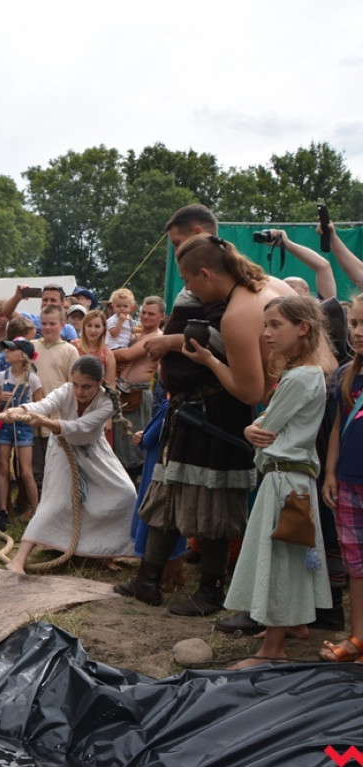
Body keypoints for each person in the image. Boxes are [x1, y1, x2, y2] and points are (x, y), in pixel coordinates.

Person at [122, 206, 295, 615]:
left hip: (217, 411)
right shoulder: (216, 288)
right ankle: (149, 578)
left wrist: (178, 344)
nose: (187, 285)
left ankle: (211, 591)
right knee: (167, 491)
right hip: (185, 410)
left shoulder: (235, 299)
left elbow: (235, 364)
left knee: (214, 498)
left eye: (186, 274)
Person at [223, 296, 330, 669]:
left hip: (285, 480)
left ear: (303, 328)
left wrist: (250, 426)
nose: (265, 333)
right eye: (265, 324)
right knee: (292, 555)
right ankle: (295, 623)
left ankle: (273, 649)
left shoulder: (300, 378)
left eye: (275, 325)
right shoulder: (305, 373)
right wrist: (255, 426)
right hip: (292, 478)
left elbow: (265, 428)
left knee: (280, 559)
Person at [5, 356, 137, 574]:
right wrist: (22, 410)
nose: (79, 391)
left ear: (100, 383)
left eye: (86, 386)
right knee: (55, 502)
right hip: (62, 449)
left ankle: (104, 550)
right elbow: (44, 405)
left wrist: (45, 422)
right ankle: (18, 560)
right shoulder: (66, 391)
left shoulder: (107, 403)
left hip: (94, 451)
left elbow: (80, 427)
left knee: (124, 493)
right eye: (76, 384)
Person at [319, 294, 363, 662]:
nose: (358, 332)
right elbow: (336, 427)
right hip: (348, 482)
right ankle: (358, 638)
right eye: (354, 324)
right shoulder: (346, 375)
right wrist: (330, 472)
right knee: (355, 565)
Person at [111, 296, 166, 475]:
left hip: (140, 394)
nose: (146, 317)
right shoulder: (134, 333)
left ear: (161, 317)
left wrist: (108, 355)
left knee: (135, 445)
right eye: (143, 312)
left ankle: (138, 485)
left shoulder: (158, 337)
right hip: (121, 392)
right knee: (121, 444)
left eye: (151, 314)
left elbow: (126, 355)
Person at [0, 339, 43, 521]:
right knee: (3, 467)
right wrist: (0, 400)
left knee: (26, 471)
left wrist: (29, 417)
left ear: (22, 355)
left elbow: (40, 406)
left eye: (11, 350)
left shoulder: (33, 380)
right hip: (5, 426)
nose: (6, 352)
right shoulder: (0, 377)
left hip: (24, 427)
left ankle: (37, 512)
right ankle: (2, 510)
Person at [31, 304, 79, 492]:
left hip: (57, 417)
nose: (48, 327)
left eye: (52, 323)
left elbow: (73, 385)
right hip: (34, 414)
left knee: (56, 463)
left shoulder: (69, 351)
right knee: (36, 462)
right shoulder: (33, 347)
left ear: (62, 324)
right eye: (44, 323)